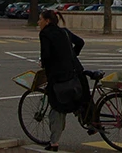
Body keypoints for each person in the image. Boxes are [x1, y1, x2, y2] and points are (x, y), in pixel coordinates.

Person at [38, 8, 88, 151]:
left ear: (47, 21)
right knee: (82, 101)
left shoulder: (45, 34)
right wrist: (72, 55)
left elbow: (46, 56)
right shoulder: (64, 32)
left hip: (61, 77)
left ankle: (54, 143)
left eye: (40, 19)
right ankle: (93, 125)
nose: (38, 22)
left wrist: (44, 65)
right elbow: (80, 42)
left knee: (57, 106)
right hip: (77, 73)